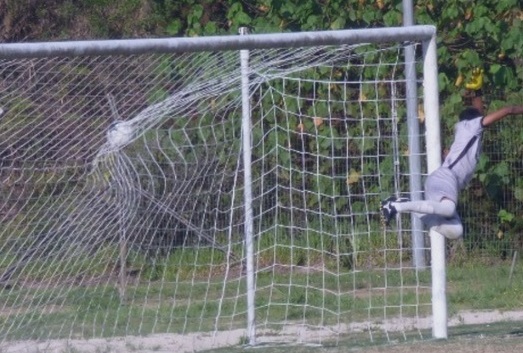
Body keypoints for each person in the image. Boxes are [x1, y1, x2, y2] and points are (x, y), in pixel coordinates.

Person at [380, 68, 523, 239]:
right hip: (446, 178)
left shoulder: (466, 129)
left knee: (456, 231)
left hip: (442, 182)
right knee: (448, 209)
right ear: (474, 120)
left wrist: (477, 91)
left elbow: (478, 112)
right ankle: (395, 206)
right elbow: (509, 110)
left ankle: (405, 203)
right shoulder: (471, 127)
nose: (482, 111)